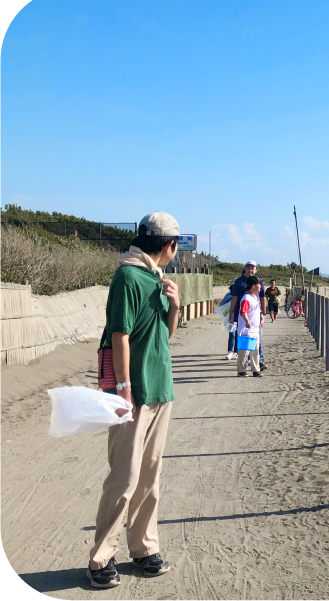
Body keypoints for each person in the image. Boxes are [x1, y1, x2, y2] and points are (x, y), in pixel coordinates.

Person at [87, 211, 181, 589]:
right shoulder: (128, 275)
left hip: (160, 388)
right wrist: (124, 388)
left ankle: (143, 547)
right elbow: (119, 335)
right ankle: (100, 558)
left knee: (150, 477)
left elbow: (165, 336)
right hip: (134, 392)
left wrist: (175, 305)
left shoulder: (156, 279)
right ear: (169, 246)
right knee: (124, 477)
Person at [228, 261, 268, 370]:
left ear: (256, 270)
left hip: (256, 315)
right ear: (245, 269)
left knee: (258, 339)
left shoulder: (259, 281)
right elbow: (235, 298)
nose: (251, 270)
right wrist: (231, 313)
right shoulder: (239, 282)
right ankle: (244, 364)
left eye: (253, 268)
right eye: (248, 268)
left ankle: (260, 362)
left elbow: (263, 297)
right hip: (242, 316)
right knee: (244, 339)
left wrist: (263, 314)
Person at [237, 280, 264, 376]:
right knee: (244, 351)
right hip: (246, 330)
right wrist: (247, 321)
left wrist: (262, 318)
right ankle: (241, 370)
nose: (260, 287)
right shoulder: (246, 298)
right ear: (253, 286)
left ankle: (256, 370)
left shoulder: (255, 297)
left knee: (255, 350)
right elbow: (243, 311)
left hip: (255, 329)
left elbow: (258, 309)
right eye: (259, 285)